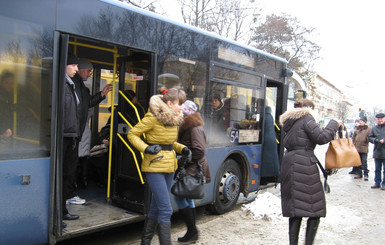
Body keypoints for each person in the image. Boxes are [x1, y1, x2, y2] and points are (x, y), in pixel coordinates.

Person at [127, 88, 192, 245]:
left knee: (157, 208)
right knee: (166, 210)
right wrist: (146, 148)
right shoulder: (153, 117)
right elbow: (132, 134)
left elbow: (168, 143)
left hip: (170, 167)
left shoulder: (174, 118)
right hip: (154, 167)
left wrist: (182, 149)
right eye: (180, 104)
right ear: (169, 103)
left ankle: (145, 241)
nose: (182, 107)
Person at [279, 99, 342, 245]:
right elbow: (322, 138)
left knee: (295, 210)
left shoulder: (290, 121)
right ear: (310, 108)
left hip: (290, 163)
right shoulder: (306, 117)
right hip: (304, 165)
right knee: (315, 209)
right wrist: (334, 124)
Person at [68, 58, 112, 203]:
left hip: (76, 131)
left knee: (74, 163)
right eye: (88, 71)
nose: (89, 74)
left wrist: (102, 95)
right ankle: (70, 193)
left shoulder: (80, 85)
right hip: (73, 131)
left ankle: (71, 192)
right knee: (71, 164)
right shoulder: (73, 84)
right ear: (79, 70)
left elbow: (87, 104)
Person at [175, 100, 211, 242]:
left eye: (181, 112)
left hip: (192, 167)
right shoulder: (191, 126)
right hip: (192, 166)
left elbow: (199, 150)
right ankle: (192, 232)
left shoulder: (193, 127)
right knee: (187, 196)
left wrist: (183, 162)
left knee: (179, 195)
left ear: (186, 113)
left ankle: (192, 230)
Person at [62, 54, 81, 222]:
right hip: (64, 136)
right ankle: (60, 212)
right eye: (74, 65)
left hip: (70, 136)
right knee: (63, 174)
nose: (76, 69)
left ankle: (62, 211)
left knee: (67, 173)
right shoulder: (62, 84)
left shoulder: (70, 84)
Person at [260, 106, 280, 183]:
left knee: (265, 161)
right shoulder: (270, 116)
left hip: (266, 140)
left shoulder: (264, 116)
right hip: (272, 140)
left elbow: (261, 127)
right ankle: (271, 177)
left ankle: (264, 179)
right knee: (271, 160)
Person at [368, 113, 385, 190]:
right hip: (377, 151)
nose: (380, 120)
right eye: (378, 119)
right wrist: (376, 140)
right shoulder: (374, 128)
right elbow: (370, 138)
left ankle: (384, 184)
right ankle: (377, 183)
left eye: (381, 118)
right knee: (377, 169)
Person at [352, 116, 371, 181]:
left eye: (362, 121)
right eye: (360, 121)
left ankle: (366, 174)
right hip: (357, 147)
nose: (360, 122)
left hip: (364, 148)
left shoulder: (368, 129)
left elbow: (370, 137)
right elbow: (354, 137)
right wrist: (353, 143)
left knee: (364, 162)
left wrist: (367, 140)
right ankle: (359, 173)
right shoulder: (357, 129)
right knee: (358, 162)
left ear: (365, 122)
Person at [0, 70, 14, 147]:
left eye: (12, 83)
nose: (9, 85)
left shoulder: (13, 96)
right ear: (1, 82)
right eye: (7, 82)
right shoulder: (2, 97)